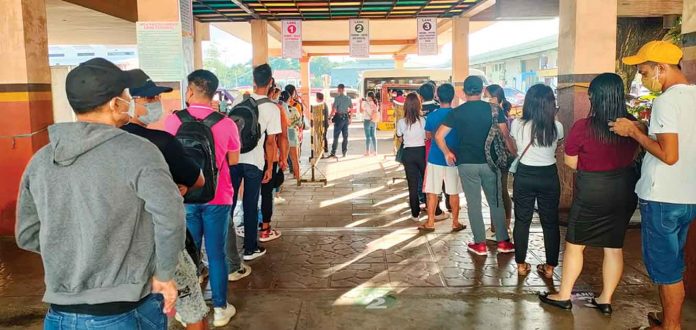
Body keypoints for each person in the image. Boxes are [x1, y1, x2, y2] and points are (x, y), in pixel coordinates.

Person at [16, 58, 182, 329]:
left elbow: (27, 234)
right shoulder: (138, 152)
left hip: (59, 315)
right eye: (127, 96)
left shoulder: (42, 159)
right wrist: (164, 274)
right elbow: (170, 217)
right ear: (115, 104)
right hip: (125, 310)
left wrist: (75, 252)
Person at [611, 41, 696, 328]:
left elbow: (669, 155)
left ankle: (671, 326)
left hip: (663, 197)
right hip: (688, 196)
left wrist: (632, 133)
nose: (643, 78)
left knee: (666, 269)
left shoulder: (666, 101)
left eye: (645, 71)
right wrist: (643, 129)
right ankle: (666, 317)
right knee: (673, 263)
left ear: (662, 68)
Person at [539, 73, 639, 315]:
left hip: (592, 192)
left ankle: (564, 296)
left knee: (575, 246)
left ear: (594, 97)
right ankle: (605, 299)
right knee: (613, 247)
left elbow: (572, 163)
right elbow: (635, 155)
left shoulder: (583, 127)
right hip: (623, 191)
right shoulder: (633, 125)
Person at [124, 71, 210, 329]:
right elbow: (199, 180)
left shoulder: (89, 149)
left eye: (155, 97)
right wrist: (173, 190)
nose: (154, 103)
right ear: (123, 102)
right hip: (159, 239)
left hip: (116, 246)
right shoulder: (160, 142)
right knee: (191, 307)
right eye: (147, 97)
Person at [164, 69, 241, 327]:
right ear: (214, 92)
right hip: (218, 196)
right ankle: (220, 308)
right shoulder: (226, 123)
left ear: (190, 91)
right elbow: (233, 160)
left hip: (184, 196)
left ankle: (190, 310)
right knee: (217, 253)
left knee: (188, 254)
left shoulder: (173, 121)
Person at [435, 76, 515, 256]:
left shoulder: (457, 112)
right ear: (482, 90)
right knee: (496, 202)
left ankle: (479, 244)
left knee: (474, 204)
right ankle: (503, 242)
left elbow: (439, 136)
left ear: (463, 93)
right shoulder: (495, 110)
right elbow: (505, 135)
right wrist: (513, 152)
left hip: (466, 164)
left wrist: (448, 153)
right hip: (491, 163)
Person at [508, 84, 563, 278]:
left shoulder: (517, 124)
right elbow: (557, 146)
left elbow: (516, 144)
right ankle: (549, 268)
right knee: (550, 222)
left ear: (528, 103)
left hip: (524, 176)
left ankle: (522, 265)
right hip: (549, 176)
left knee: (522, 221)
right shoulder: (557, 127)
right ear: (550, 104)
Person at [229, 63, 282, 262]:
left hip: (233, 159)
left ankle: (228, 250)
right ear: (270, 82)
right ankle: (250, 248)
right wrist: (270, 167)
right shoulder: (272, 107)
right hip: (255, 162)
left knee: (230, 204)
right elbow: (271, 141)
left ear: (253, 81)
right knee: (251, 205)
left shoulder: (238, 100)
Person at [419, 83, 464, 232]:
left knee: (432, 191)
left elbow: (428, 136)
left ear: (437, 96)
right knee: (453, 192)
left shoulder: (432, 116)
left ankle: (430, 222)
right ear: (453, 97)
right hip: (453, 158)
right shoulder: (458, 115)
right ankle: (455, 222)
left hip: (435, 158)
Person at [257, 84, 287, 244]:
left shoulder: (247, 104)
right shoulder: (276, 109)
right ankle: (265, 229)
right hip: (270, 158)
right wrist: (283, 157)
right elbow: (280, 137)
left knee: (251, 195)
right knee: (267, 194)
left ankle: (247, 226)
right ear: (272, 90)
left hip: (251, 159)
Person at [483, 85, 513, 240]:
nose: (487, 100)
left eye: (490, 97)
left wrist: (514, 154)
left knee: (500, 193)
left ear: (497, 97)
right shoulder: (494, 111)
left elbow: (506, 137)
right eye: (486, 97)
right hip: (494, 158)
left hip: (500, 159)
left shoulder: (498, 112)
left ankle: (503, 226)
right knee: (495, 193)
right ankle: (497, 226)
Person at [396, 93, 427, 221]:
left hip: (408, 154)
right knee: (426, 183)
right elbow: (426, 137)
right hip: (421, 152)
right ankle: (431, 208)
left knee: (412, 184)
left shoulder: (402, 122)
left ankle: (415, 213)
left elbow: (399, 136)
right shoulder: (423, 120)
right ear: (419, 105)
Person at [329, 83, 354, 158]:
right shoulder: (348, 98)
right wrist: (350, 118)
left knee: (336, 136)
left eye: (338, 89)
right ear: (344, 89)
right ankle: (344, 152)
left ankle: (333, 152)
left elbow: (333, 109)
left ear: (339, 89)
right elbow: (351, 109)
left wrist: (330, 117)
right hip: (346, 118)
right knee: (345, 136)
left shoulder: (337, 98)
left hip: (339, 119)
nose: (338, 90)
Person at [361, 91, 379, 156]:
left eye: (367, 96)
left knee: (368, 137)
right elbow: (375, 111)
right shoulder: (376, 103)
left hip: (367, 121)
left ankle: (367, 152)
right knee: (373, 136)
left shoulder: (366, 104)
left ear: (369, 97)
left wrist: (361, 102)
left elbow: (361, 110)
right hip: (373, 121)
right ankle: (375, 151)